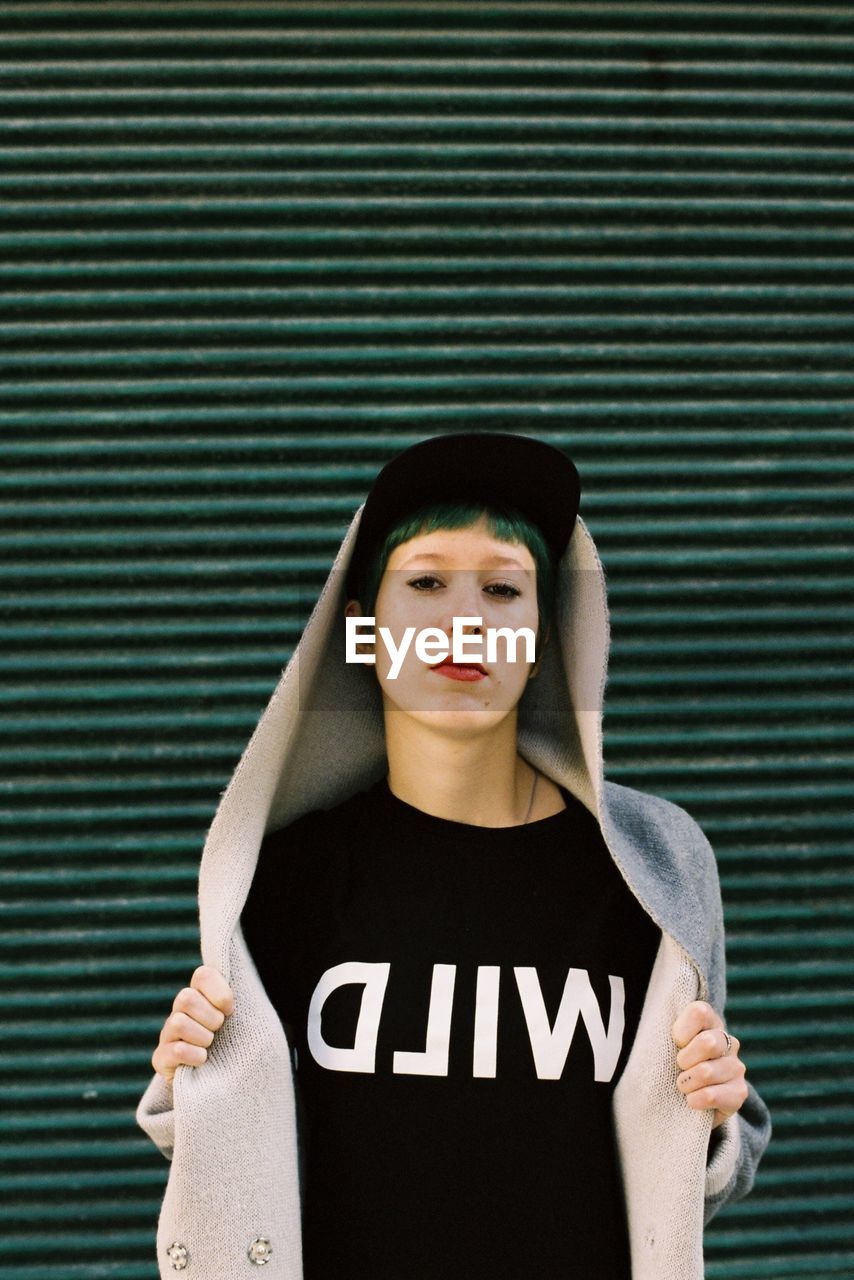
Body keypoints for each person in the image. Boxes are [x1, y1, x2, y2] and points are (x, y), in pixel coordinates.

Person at [137, 432, 772, 1280]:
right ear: (363, 632)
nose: (465, 620)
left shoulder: (654, 867)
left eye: (505, 588)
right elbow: (233, 1167)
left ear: (544, 636)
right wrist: (191, 1083)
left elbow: (703, 1168)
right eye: (426, 582)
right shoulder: (280, 877)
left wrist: (714, 1112)